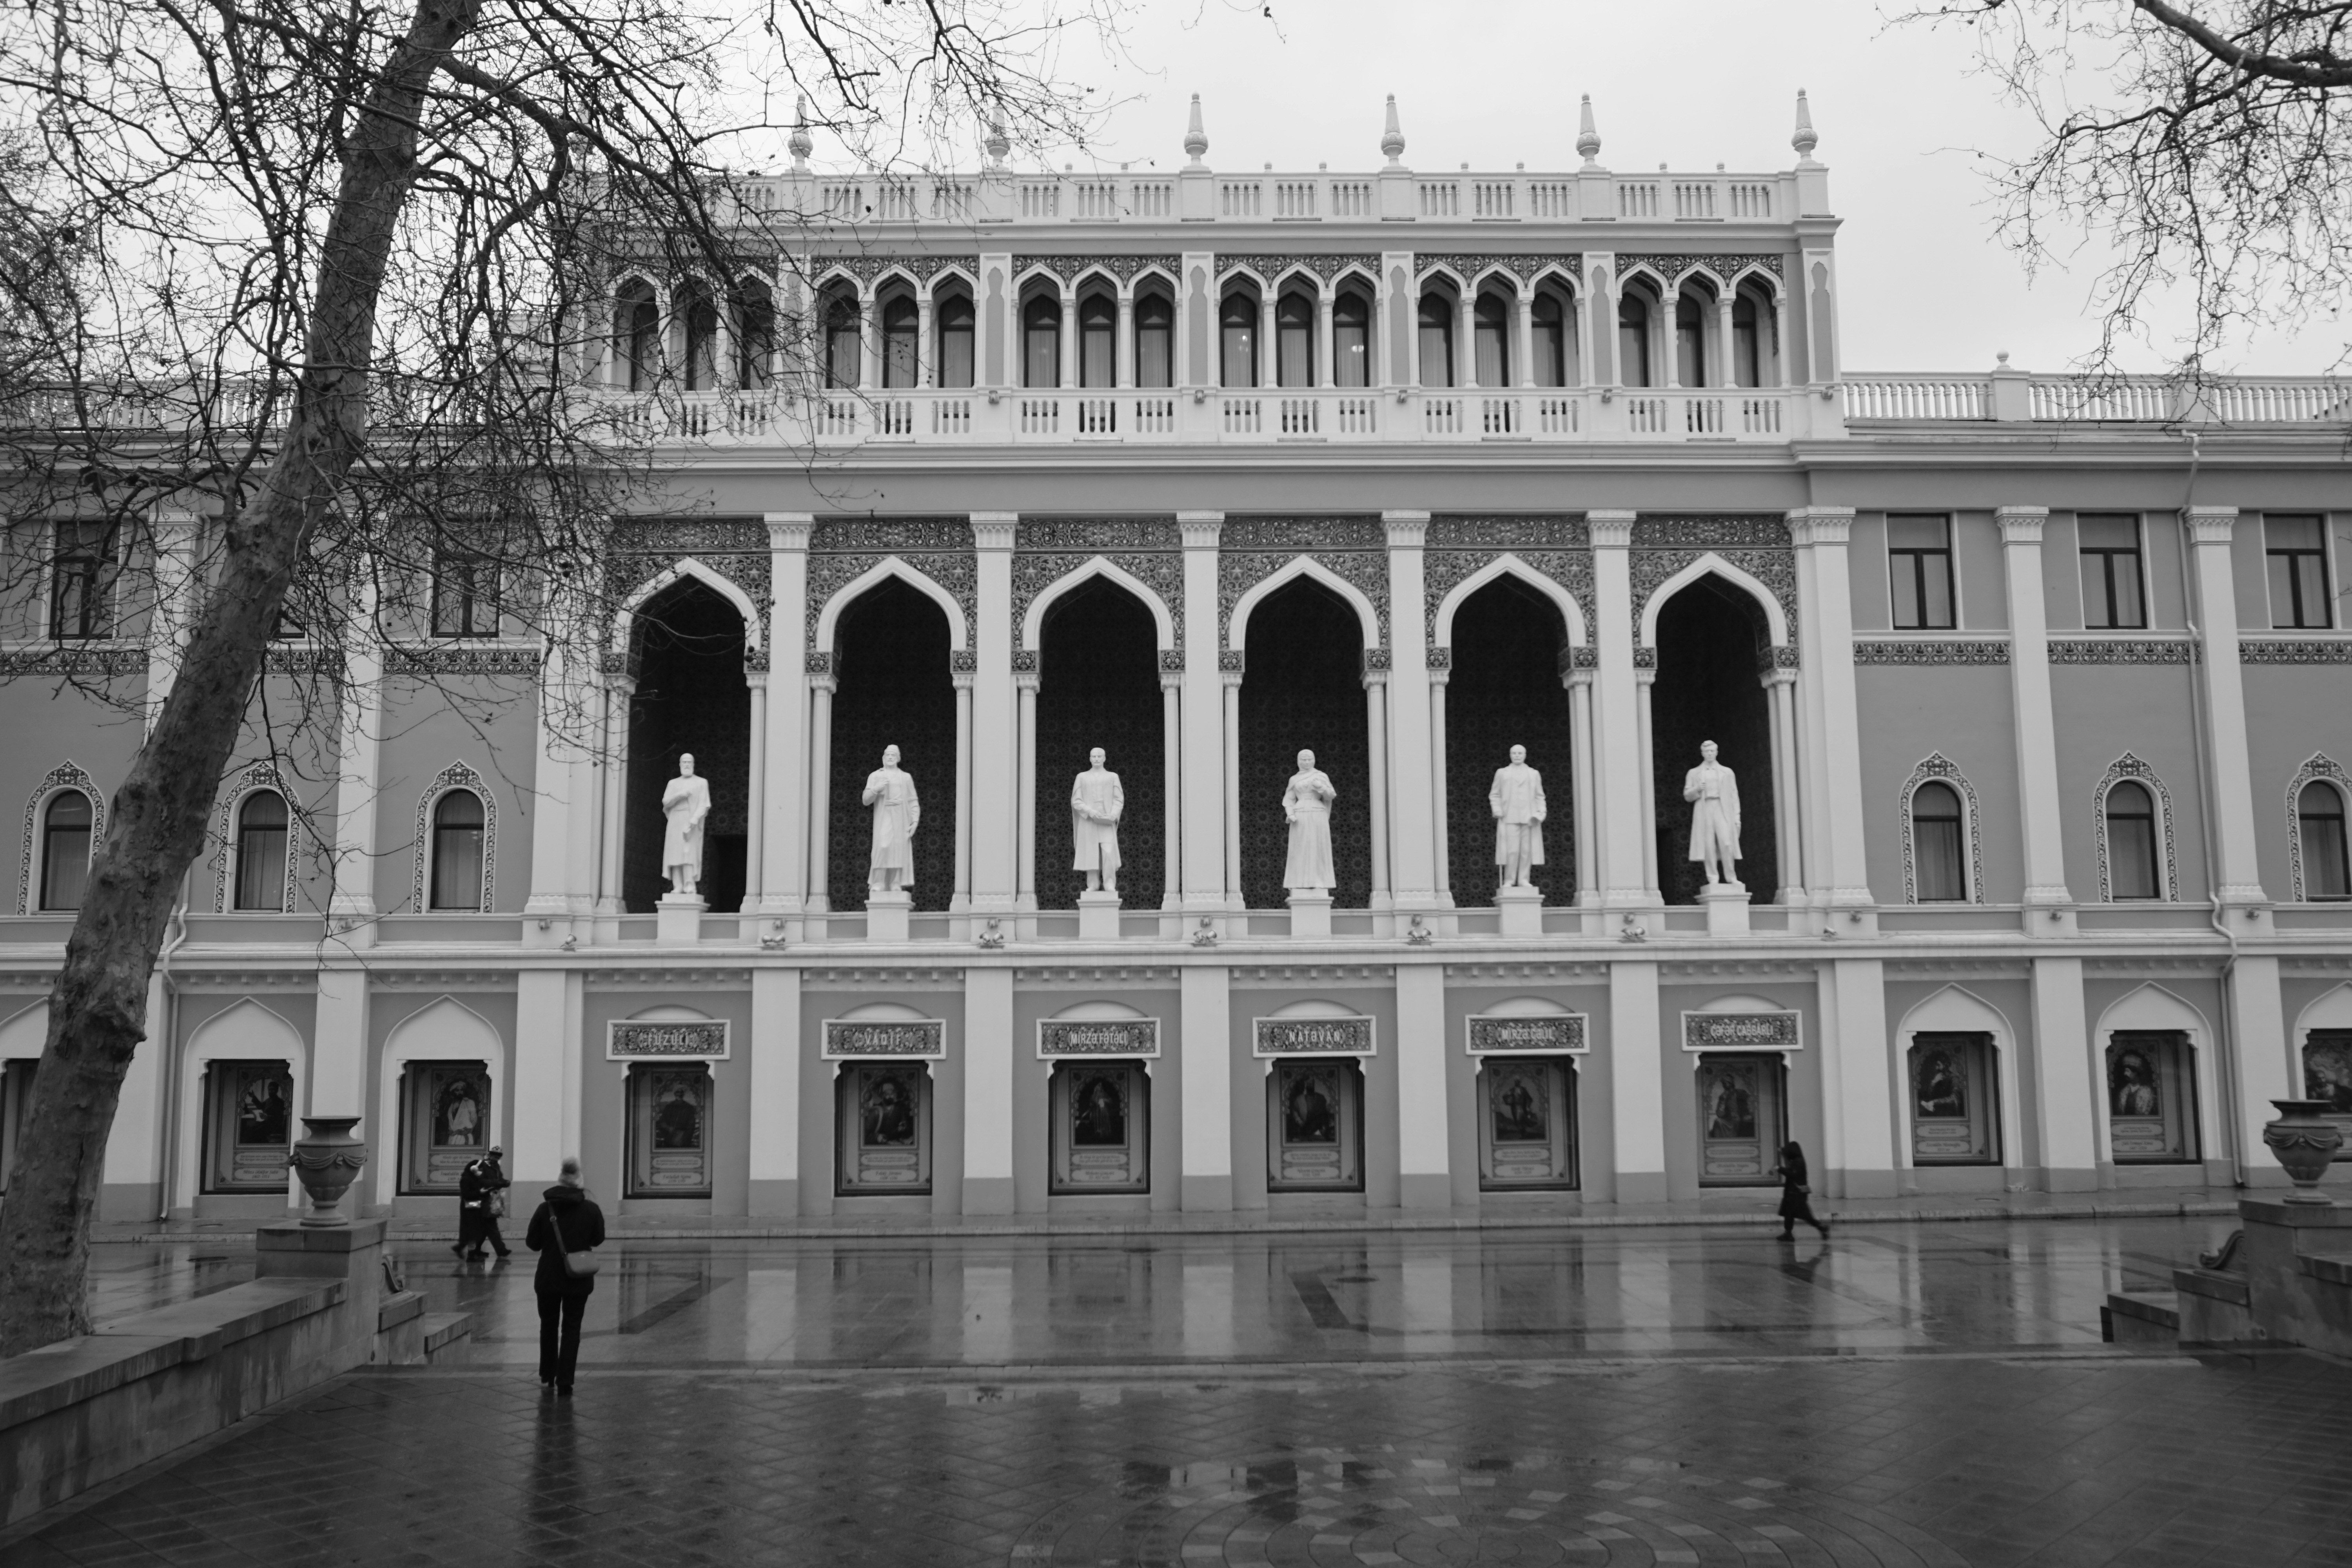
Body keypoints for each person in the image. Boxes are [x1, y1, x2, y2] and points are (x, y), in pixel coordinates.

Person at [524, 1157, 605, 1396]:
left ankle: (548, 1374)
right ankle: (566, 1381)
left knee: (548, 1326)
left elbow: (533, 1243)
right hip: (578, 1277)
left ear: (560, 1181)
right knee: (572, 1328)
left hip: (548, 1278)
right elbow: (598, 1239)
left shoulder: (545, 1209)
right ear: (579, 1182)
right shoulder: (591, 1209)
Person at [1683, 739, 1743, 887]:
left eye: (1712, 751)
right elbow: (1687, 795)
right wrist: (1697, 789)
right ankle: (1713, 877)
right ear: (1702, 754)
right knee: (1708, 844)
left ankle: (1731, 877)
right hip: (1705, 808)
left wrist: (1737, 816)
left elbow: (1734, 796)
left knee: (1727, 842)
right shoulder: (1694, 773)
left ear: (1717, 752)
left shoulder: (1727, 772)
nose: (1710, 754)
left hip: (1722, 807)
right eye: (1707, 751)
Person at [1282, 750, 1337, 894]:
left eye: (1309, 760)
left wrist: (1321, 787)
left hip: (1317, 812)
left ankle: (1319, 881)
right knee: (1300, 848)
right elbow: (1289, 799)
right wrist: (1290, 813)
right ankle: (1299, 881)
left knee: (1317, 846)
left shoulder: (1321, 776)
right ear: (1298, 761)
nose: (1306, 763)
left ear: (1314, 760)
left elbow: (1331, 795)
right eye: (1303, 760)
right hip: (1300, 814)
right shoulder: (1294, 779)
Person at [660, 753, 711, 897]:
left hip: (690, 820)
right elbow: (666, 802)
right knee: (675, 854)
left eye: (689, 762)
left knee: (688, 853)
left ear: (693, 765)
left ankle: (689, 885)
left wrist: (694, 819)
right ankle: (678, 886)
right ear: (680, 765)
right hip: (675, 819)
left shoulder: (701, 783)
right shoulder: (673, 784)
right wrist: (679, 795)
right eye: (684, 762)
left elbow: (704, 804)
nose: (687, 765)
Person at [454, 1144, 513, 1261]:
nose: (496, 1159)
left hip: (487, 1200)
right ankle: (473, 1253)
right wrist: (496, 1184)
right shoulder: (478, 1169)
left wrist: (503, 1182)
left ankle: (472, 1250)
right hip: (479, 1202)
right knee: (483, 1227)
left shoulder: (494, 1167)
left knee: (483, 1228)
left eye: (499, 1157)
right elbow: (480, 1184)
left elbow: (494, 1179)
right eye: (495, 1156)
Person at [1775, 1139, 1830, 1240]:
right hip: (1793, 1193)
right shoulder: (1797, 1160)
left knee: (1805, 1215)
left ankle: (1821, 1227)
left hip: (1796, 1194)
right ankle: (1788, 1234)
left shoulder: (1798, 1162)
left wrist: (1780, 1169)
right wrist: (1782, 1151)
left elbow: (1793, 1174)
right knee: (1789, 1214)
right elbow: (1790, 1166)